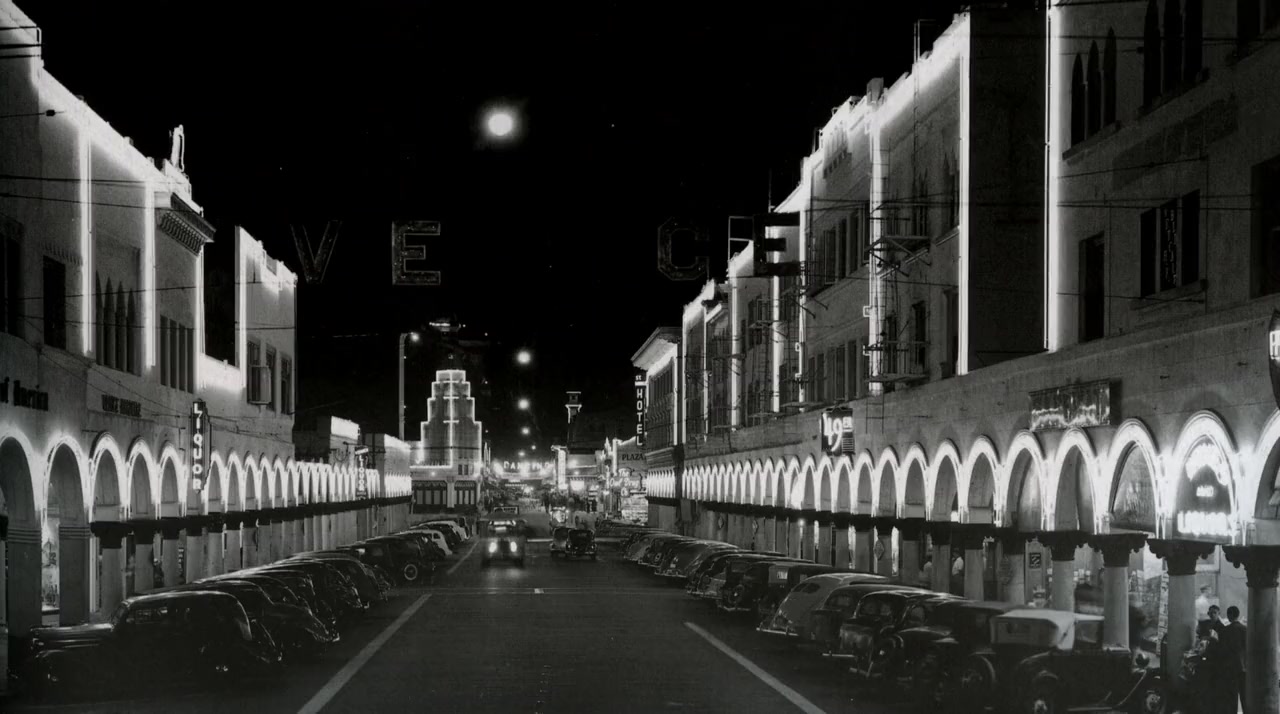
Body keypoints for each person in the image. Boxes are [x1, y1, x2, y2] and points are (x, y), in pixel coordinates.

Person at [1220, 606, 1247, 714]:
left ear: (1229, 615)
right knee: (1244, 695)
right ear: (1238, 615)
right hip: (1243, 666)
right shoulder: (1245, 629)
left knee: (1232, 697)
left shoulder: (1225, 631)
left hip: (1230, 667)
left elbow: (1222, 650)